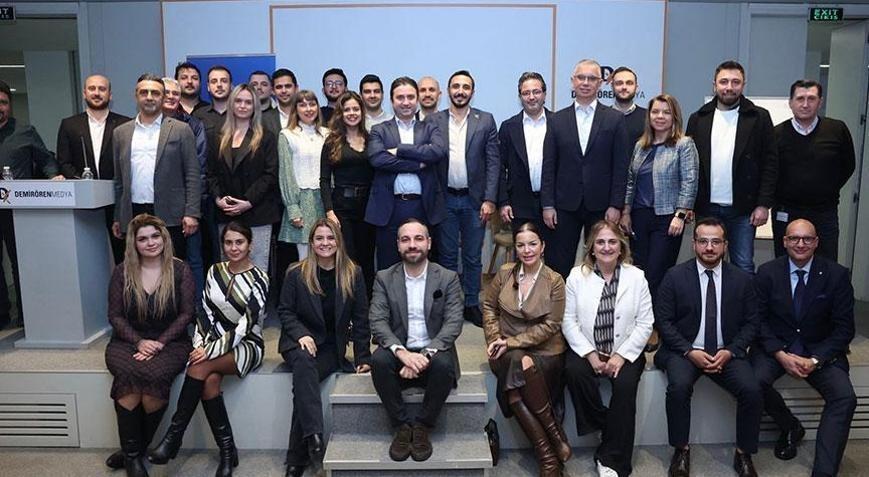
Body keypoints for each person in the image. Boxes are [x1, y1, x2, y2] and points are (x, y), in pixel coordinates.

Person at [149, 221, 267, 477]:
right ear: (222, 245)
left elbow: (246, 325)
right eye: (228, 242)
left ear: (250, 245)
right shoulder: (215, 271)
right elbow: (204, 313)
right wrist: (201, 344)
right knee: (209, 382)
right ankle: (227, 452)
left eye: (239, 242)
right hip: (214, 341)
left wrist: (210, 351)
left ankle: (173, 437)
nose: (234, 248)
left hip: (247, 344)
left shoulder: (260, 278)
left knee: (200, 364)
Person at [654, 217, 761, 477]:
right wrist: (689, 351)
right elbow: (664, 321)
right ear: (694, 244)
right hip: (684, 351)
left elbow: (752, 322)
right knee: (678, 387)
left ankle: (743, 453)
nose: (709, 247)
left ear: (725, 245)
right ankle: (681, 449)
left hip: (727, 351)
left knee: (752, 390)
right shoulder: (675, 276)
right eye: (703, 241)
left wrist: (731, 351)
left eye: (716, 242)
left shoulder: (742, 279)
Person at [752, 219, 856, 477]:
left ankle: (824, 472)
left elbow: (845, 328)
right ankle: (789, 426)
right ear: (784, 241)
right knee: (750, 382)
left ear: (816, 242)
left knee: (845, 398)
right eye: (794, 238)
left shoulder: (837, 275)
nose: (800, 244)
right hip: (777, 349)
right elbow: (757, 321)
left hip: (820, 352)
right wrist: (780, 354)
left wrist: (816, 359)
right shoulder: (767, 272)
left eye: (807, 239)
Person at [278, 218, 371, 477]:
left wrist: (363, 357)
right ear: (311, 242)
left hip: (330, 347)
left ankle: (300, 454)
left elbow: (361, 319)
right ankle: (315, 440)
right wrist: (301, 334)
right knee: (304, 361)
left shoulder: (353, 273)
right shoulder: (296, 273)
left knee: (304, 381)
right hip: (298, 342)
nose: (325, 243)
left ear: (339, 242)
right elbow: (285, 311)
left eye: (330, 238)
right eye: (319, 238)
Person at [103, 214, 195, 477]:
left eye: (155, 236)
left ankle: (133, 450)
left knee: (154, 377)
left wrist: (159, 343)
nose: (151, 242)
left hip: (172, 342)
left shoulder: (181, 270)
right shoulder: (121, 271)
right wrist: (139, 342)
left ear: (164, 238)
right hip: (127, 341)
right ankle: (133, 458)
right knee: (128, 375)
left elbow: (187, 314)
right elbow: (115, 316)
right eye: (143, 239)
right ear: (134, 243)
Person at [562, 221, 653, 477]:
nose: (606, 247)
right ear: (591, 248)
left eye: (612, 242)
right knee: (573, 372)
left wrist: (621, 356)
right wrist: (590, 355)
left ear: (621, 247)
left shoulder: (637, 277)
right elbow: (568, 320)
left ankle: (611, 460)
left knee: (625, 387)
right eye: (600, 242)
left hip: (626, 351)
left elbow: (646, 323)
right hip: (588, 348)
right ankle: (609, 426)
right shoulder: (576, 276)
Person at [369, 218, 464, 462]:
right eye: (406, 239)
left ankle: (422, 426)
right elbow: (377, 321)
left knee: (444, 365)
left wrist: (424, 356)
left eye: (418, 238)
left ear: (429, 243)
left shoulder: (447, 278)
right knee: (379, 361)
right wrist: (403, 354)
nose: (412, 244)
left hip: (433, 350)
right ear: (398, 245)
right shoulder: (384, 278)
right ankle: (401, 426)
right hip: (400, 350)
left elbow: (453, 323)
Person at [483, 222, 571, 477]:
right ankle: (555, 439)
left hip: (545, 351)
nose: (527, 250)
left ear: (542, 246)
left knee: (515, 385)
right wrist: (495, 339)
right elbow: (488, 307)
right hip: (504, 349)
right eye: (521, 245)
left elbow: (552, 325)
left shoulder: (555, 280)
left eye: (532, 244)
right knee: (516, 362)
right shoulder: (505, 273)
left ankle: (547, 457)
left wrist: (510, 343)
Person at [686, 60, 777, 273]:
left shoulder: (759, 117)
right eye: (724, 81)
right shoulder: (698, 118)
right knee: (705, 264)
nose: (729, 87)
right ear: (714, 85)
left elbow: (770, 163)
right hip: (706, 207)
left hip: (743, 210)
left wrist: (763, 204)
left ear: (743, 85)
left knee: (743, 265)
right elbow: (689, 166)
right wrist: (688, 204)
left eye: (735, 82)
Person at [541, 59, 630, 279]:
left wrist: (616, 205)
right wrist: (547, 204)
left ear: (601, 83)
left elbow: (621, 167)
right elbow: (549, 165)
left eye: (592, 78)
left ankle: (600, 301)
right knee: (558, 262)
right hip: (563, 204)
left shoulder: (615, 119)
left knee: (602, 261)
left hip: (602, 205)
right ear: (573, 81)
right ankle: (559, 302)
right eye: (581, 77)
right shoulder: (556, 120)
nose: (586, 82)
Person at [429, 70, 499, 327]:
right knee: (447, 257)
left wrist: (490, 199)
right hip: (445, 199)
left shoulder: (485, 120)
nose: (460, 91)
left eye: (465, 87)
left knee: (472, 257)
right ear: (448, 91)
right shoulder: (434, 120)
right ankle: (451, 306)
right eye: (456, 86)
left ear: (472, 92)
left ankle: (471, 303)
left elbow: (493, 162)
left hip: (474, 201)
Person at [112, 74, 201, 259]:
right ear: (136, 96)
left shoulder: (181, 130)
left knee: (172, 266)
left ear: (163, 97)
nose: (149, 97)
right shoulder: (121, 133)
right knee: (137, 267)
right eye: (144, 92)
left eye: (155, 93)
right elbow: (119, 181)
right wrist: (118, 216)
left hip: (171, 214)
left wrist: (192, 213)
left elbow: (192, 174)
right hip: (133, 212)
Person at [619, 94, 698, 302]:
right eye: (655, 112)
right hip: (639, 217)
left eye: (666, 112)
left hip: (668, 219)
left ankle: (658, 318)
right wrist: (626, 212)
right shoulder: (640, 145)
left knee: (657, 274)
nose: (660, 116)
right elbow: (630, 181)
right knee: (639, 272)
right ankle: (641, 317)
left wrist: (680, 215)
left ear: (674, 117)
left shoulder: (684, 144)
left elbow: (689, 180)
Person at [365, 77, 446, 270]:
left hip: (423, 206)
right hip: (389, 207)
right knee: (388, 265)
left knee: (423, 265)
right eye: (400, 97)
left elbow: (437, 152)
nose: (406, 102)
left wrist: (400, 150)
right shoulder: (379, 130)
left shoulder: (430, 128)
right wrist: (418, 163)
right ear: (391, 101)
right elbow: (377, 159)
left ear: (417, 99)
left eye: (410, 97)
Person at [0, 79, 63, 328]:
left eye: (3, 102)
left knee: (20, 261)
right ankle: (2, 314)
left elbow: (45, 159)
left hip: (17, 209)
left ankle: (26, 315)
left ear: (9, 105)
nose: (0, 107)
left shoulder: (24, 131)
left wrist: (54, 176)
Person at [772, 79, 855, 261]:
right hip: (786, 211)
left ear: (820, 102)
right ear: (790, 102)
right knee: (785, 262)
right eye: (800, 99)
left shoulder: (837, 130)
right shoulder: (776, 134)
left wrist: (826, 188)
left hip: (824, 211)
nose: (805, 104)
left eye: (811, 98)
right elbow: (769, 171)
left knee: (826, 263)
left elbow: (848, 165)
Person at [56, 74, 132, 264]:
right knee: (87, 257)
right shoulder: (69, 125)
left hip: (117, 201)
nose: (97, 93)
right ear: (84, 93)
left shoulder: (126, 124)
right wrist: (83, 183)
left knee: (123, 256)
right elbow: (63, 162)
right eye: (92, 88)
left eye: (102, 89)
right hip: (84, 202)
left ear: (110, 95)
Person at [207, 83, 280, 272]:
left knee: (257, 270)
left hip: (257, 212)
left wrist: (248, 202)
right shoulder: (217, 136)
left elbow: (270, 175)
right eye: (238, 101)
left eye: (248, 102)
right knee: (228, 269)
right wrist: (218, 199)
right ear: (231, 104)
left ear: (255, 106)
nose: (242, 105)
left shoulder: (266, 137)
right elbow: (210, 173)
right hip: (226, 212)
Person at [320, 91, 375, 292]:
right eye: (347, 110)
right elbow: (324, 180)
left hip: (368, 208)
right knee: (348, 259)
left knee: (367, 258)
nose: (352, 113)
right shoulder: (332, 141)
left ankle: (367, 302)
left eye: (355, 109)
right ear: (341, 114)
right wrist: (329, 212)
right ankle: (348, 302)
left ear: (362, 111)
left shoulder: (371, 139)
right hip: (342, 209)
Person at [163, 77, 210, 297]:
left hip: (188, 205)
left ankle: (197, 307)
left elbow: (198, 169)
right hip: (158, 206)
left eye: (176, 93)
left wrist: (192, 209)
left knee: (193, 259)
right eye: (167, 92)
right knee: (163, 259)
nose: (171, 96)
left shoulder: (193, 125)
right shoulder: (146, 127)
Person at [277, 90, 329, 265]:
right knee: (305, 258)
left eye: (312, 104)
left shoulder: (327, 134)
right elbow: (286, 174)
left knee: (326, 252)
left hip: (325, 199)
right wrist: (293, 207)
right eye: (303, 105)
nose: (308, 109)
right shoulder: (287, 135)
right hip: (301, 200)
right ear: (295, 109)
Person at [498, 72, 552, 235]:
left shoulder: (558, 123)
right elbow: (499, 168)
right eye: (526, 93)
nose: (531, 97)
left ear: (544, 94)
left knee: (554, 251)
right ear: (520, 97)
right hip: (519, 206)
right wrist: (503, 202)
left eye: (536, 92)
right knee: (524, 249)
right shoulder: (508, 127)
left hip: (552, 206)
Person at [609, 67, 646, 146]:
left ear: (636, 88)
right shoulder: (602, 118)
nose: (624, 87)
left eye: (629, 83)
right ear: (612, 87)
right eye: (619, 83)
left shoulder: (648, 117)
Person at [195, 65, 233, 138]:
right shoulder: (198, 115)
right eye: (214, 81)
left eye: (224, 81)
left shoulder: (240, 113)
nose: (219, 85)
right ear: (208, 87)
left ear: (231, 85)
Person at [263, 68, 297, 136]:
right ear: (272, 91)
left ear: (296, 88)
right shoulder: (263, 119)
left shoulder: (307, 115)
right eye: (279, 87)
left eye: (288, 86)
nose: (284, 91)